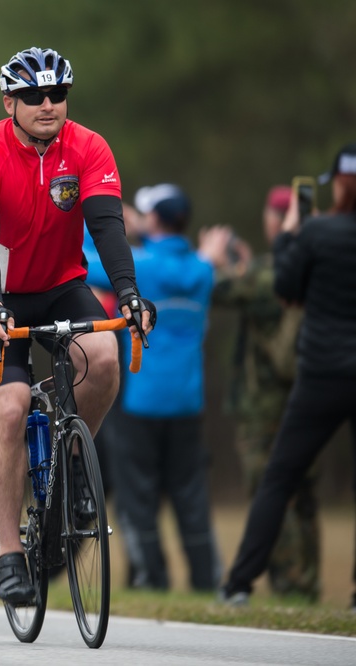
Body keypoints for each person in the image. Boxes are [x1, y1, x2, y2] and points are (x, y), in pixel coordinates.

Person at [0, 47, 155, 605]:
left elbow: (109, 228)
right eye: (33, 96)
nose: (47, 105)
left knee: (107, 357)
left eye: (57, 95)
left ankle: (69, 468)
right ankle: (12, 553)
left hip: (62, 283)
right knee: (11, 407)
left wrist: (131, 294)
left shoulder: (89, 147)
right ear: (9, 102)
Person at [221, 143, 356, 608]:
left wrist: (292, 235)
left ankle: (239, 582)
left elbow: (286, 286)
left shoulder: (317, 232)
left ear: (338, 184)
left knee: (279, 477)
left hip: (321, 373)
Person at [88, 184, 222, 591]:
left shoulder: (140, 265)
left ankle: (153, 579)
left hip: (141, 400)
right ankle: (205, 580)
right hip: (187, 400)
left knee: (137, 496)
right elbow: (205, 262)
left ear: (155, 220)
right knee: (190, 495)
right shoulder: (202, 269)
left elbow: (84, 264)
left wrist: (105, 220)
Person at [199, 186, 319, 601]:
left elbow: (215, 291)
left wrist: (213, 261)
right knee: (305, 496)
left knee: (272, 489)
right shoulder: (314, 267)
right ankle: (308, 583)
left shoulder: (267, 274)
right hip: (311, 397)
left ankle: (291, 587)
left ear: (276, 221)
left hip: (262, 406)